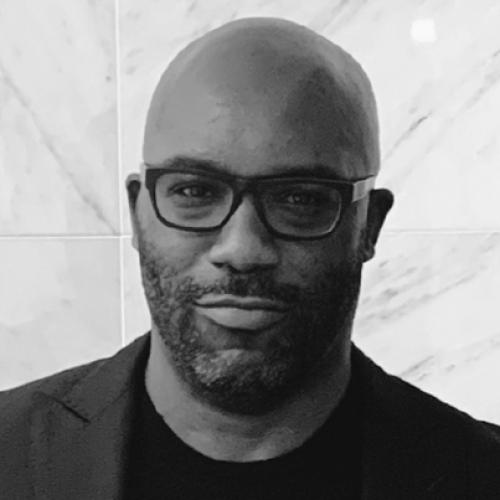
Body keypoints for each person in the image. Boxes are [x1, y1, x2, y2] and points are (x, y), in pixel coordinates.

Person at [1, 17, 499, 500]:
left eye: (299, 198)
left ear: (368, 225)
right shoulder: (10, 455)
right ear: (139, 213)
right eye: (195, 191)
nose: (242, 250)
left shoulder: (479, 473)